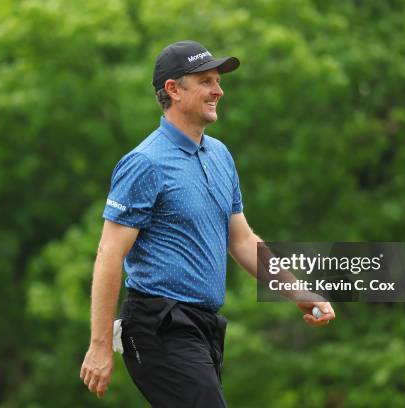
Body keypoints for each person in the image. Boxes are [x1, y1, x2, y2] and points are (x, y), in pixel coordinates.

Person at [80, 40, 335, 407]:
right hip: (158, 325)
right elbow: (108, 254)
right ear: (173, 90)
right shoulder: (145, 163)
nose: (219, 90)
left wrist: (299, 293)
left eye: (218, 80)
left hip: (205, 328)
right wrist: (100, 345)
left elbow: (243, 241)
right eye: (206, 81)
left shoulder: (220, 155)